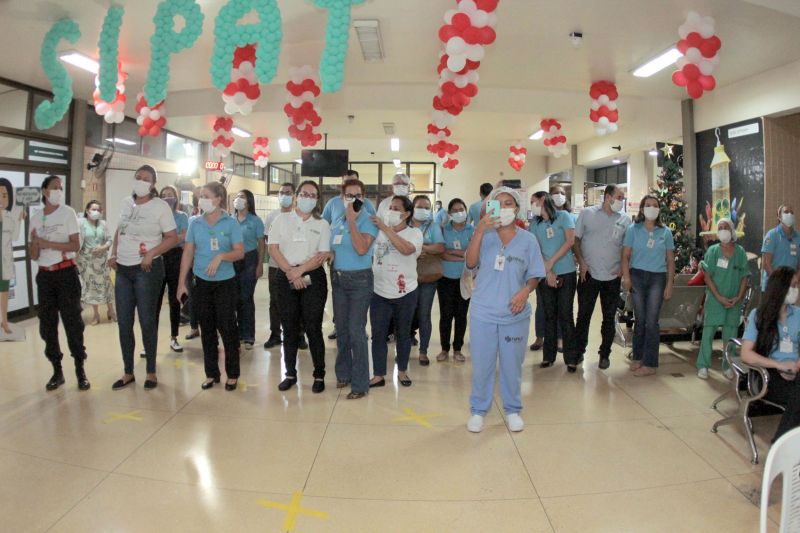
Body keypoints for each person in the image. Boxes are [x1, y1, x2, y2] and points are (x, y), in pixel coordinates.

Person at [465, 187, 544, 433]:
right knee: (483, 365)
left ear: (517, 209)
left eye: (509, 203)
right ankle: (478, 410)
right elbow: (470, 263)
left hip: (514, 314)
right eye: (498, 204)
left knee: (512, 365)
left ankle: (512, 409)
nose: (505, 208)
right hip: (483, 313)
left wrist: (525, 291)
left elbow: (535, 275)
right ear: (490, 209)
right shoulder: (484, 236)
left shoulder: (528, 239)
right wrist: (479, 229)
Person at [109, 165, 178, 391]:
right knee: (124, 323)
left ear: (153, 184)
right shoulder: (125, 203)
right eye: (137, 177)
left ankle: (150, 371)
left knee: (147, 321)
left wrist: (151, 253)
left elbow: (172, 238)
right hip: (123, 269)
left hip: (147, 270)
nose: (140, 181)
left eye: (145, 178)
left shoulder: (160, 207)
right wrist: (113, 253)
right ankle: (128, 371)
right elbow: (120, 231)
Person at [177, 182, 244, 390]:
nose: (201, 199)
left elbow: (240, 252)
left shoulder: (230, 223)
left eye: (205, 195)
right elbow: (188, 253)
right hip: (201, 283)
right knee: (206, 329)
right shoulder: (195, 223)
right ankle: (211, 373)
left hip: (225, 283)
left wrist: (222, 256)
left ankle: (232, 374)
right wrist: (181, 283)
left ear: (218, 199)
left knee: (227, 328)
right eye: (200, 196)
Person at [268, 181, 330, 393]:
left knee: (313, 328)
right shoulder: (281, 219)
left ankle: (319, 374)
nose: (308, 198)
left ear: (317, 200)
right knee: (290, 327)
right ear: (296, 196)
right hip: (286, 275)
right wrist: (291, 272)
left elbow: (321, 255)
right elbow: (273, 248)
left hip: (313, 277)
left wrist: (300, 271)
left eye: (313, 195)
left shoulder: (322, 224)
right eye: (304, 193)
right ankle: (290, 374)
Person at [29, 175, 90, 390]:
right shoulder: (35, 218)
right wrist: (36, 244)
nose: (58, 191)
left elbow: (75, 245)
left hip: (65, 274)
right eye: (54, 188)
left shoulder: (67, 213)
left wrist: (48, 243)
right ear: (45, 192)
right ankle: (57, 370)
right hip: (45, 276)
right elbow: (33, 254)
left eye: (60, 188)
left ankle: (79, 368)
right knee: (47, 325)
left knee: (73, 322)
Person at [573, 185, 631, 369]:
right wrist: (581, 262)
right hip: (588, 274)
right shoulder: (587, 214)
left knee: (609, 318)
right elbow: (576, 240)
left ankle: (604, 354)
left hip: (612, 276)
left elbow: (626, 248)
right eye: (619, 197)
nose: (622, 200)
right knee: (583, 316)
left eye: (623, 197)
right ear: (608, 197)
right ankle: (578, 352)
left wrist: (623, 268)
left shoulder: (625, 219)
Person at [330, 178, 378, 399]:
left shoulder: (368, 220)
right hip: (338, 279)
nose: (353, 200)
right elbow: (335, 246)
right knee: (341, 329)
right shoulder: (338, 219)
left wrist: (352, 221)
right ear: (342, 197)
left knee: (356, 331)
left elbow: (361, 249)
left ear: (363, 197)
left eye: (357, 195)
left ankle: (360, 384)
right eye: (349, 196)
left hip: (359, 280)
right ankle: (344, 373)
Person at [741, 267, 800, 443]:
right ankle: (780, 446)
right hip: (768, 374)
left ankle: (784, 445)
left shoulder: (798, 315)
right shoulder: (759, 316)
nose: (796, 290)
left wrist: (796, 365)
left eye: (797, 285)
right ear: (780, 288)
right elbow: (746, 354)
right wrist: (780, 366)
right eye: (793, 285)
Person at [369, 195, 423, 388]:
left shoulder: (414, 233)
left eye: (396, 208)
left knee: (403, 333)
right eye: (390, 207)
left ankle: (402, 371)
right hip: (379, 292)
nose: (391, 211)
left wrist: (385, 228)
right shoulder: (377, 233)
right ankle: (378, 374)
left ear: (407, 213)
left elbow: (406, 250)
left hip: (405, 292)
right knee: (378, 334)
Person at [621, 195, 675, 377]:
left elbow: (670, 260)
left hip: (657, 279)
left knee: (652, 321)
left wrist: (669, 284)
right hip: (636, 276)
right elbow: (625, 256)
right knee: (640, 319)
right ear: (642, 209)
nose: (652, 208)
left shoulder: (665, 232)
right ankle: (638, 357)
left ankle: (650, 363)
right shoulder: (633, 229)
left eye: (655, 205)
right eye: (648, 205)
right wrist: (626, 277)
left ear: (659, 209)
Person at [529, 191, 579, 371]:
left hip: (566, 272)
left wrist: (552, 261)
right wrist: (547, 269)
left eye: (533, 202)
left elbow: (570, 241)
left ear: (543, 201)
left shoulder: (564, 217)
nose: (532, 205)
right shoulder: (534, 223)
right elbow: (535, 248)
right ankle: (548, 356)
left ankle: (571, 358)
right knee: (549, 314)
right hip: (545, 274)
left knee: (565, 315)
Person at [696, 218, 749, 380]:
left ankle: (728, 365)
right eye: (720, 227)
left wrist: (738, 297)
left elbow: (744, 277)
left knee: (730, 335)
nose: (723, 230)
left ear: (732, 230)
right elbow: (707, 277)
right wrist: (718, 297)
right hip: (715, 299)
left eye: (726, 227)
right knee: (708, 333)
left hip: (734, 301)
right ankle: (703, 366)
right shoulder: (712, 251)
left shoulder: (740, 252)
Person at [263, 182, 304, 349]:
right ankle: (275, 334)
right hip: (275, 266)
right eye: (282, 192)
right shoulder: (272, 216)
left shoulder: (300, 216)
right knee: (275, 301)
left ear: (294, 196)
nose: (284, 195)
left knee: (299, 300)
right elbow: (268, 241)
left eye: (288, 192)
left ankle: (300, 335)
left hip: (297, 266)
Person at [409, 195, 445, 365]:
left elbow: (440, 247)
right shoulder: (404, 225)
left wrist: (420, 247)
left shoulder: (433, 226)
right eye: (419, 206)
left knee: (424, 314)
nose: (422, 210)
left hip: (428, 277)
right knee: (405, 314)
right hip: (406, 276)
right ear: (412, 207)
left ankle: (423, 351)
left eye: (426, 207)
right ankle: (404, 346)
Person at [437, 198, 474, 362]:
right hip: (445, 278)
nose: (459, 212)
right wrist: (463, 255)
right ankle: (444, 349)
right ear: (450, 214)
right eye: (455, 210)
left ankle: (457, 349)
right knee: (446, 315)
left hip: (465, 279)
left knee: (461, 315)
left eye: (462, 209)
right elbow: (441, 253)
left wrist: (454, 253)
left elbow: (474, 255)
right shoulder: (443, 230)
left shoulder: (471, 230)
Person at [155, 186, 188, 353]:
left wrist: (168, 239)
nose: (167, 198)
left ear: (176, 197)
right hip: (158, 257)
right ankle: (150, 341)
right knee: (155, 300)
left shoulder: (182, 216)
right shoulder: (156, 215)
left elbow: (183, 236)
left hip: (176, 258)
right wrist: (173, 238)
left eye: (170, 195)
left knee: (174, 299)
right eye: (164, 195)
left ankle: (174, 337)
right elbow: (155, 237)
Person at [233, 189, 265, 350]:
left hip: (249, 260)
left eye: (242, 197)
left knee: (246, 297)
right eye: (237, 196)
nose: (239, 199)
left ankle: (248, 335)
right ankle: (237, 333)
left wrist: (259, 265)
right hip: (232, 260)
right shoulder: (230, 220)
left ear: (249, 201)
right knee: (235, 298)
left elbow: (261, 244)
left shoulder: (255, 221)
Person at [77, 200, 115, 326]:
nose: (96, 212)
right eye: (93, 209)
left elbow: (110, 240)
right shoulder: (81, 224)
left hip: (102, 259)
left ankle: (111, 310)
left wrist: (103, 247)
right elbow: (77, 240)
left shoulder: (103, 224)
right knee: (91, 286)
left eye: (98, 210)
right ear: (87, 211)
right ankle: (96, 314)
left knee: (106, 285)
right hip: (87, 260)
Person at [0, 178, 23, 334]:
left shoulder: (10, 216)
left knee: (4, 292)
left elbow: (14, 237)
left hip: (4, 261)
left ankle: (4, 321)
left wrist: (19, 218)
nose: (1, 199)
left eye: (4, 195)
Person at [761, 205, 799, 291]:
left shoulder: (798, 238)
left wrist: (795, 280)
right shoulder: (772, 235)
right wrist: (778, 282)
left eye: (791, 212)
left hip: (790, 287)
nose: (789, 214)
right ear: (779, 216)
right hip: (773, 286)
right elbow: (766, 263)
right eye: (786, 212)